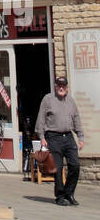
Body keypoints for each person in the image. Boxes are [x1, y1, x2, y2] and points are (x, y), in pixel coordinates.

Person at [36, 74, 84, 206]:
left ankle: (69, 192)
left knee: (75, 165)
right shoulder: (48, 99)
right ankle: (60, 196)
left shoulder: (71, 101)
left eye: (63, 86)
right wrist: (41, 137)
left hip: (68, 137)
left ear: (67, 88)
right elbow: (41, 118)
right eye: (59, 85)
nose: (61, 88)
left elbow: (76, 119)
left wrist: (80, 137)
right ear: (55, 86)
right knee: (57, 168)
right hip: (53, 137)